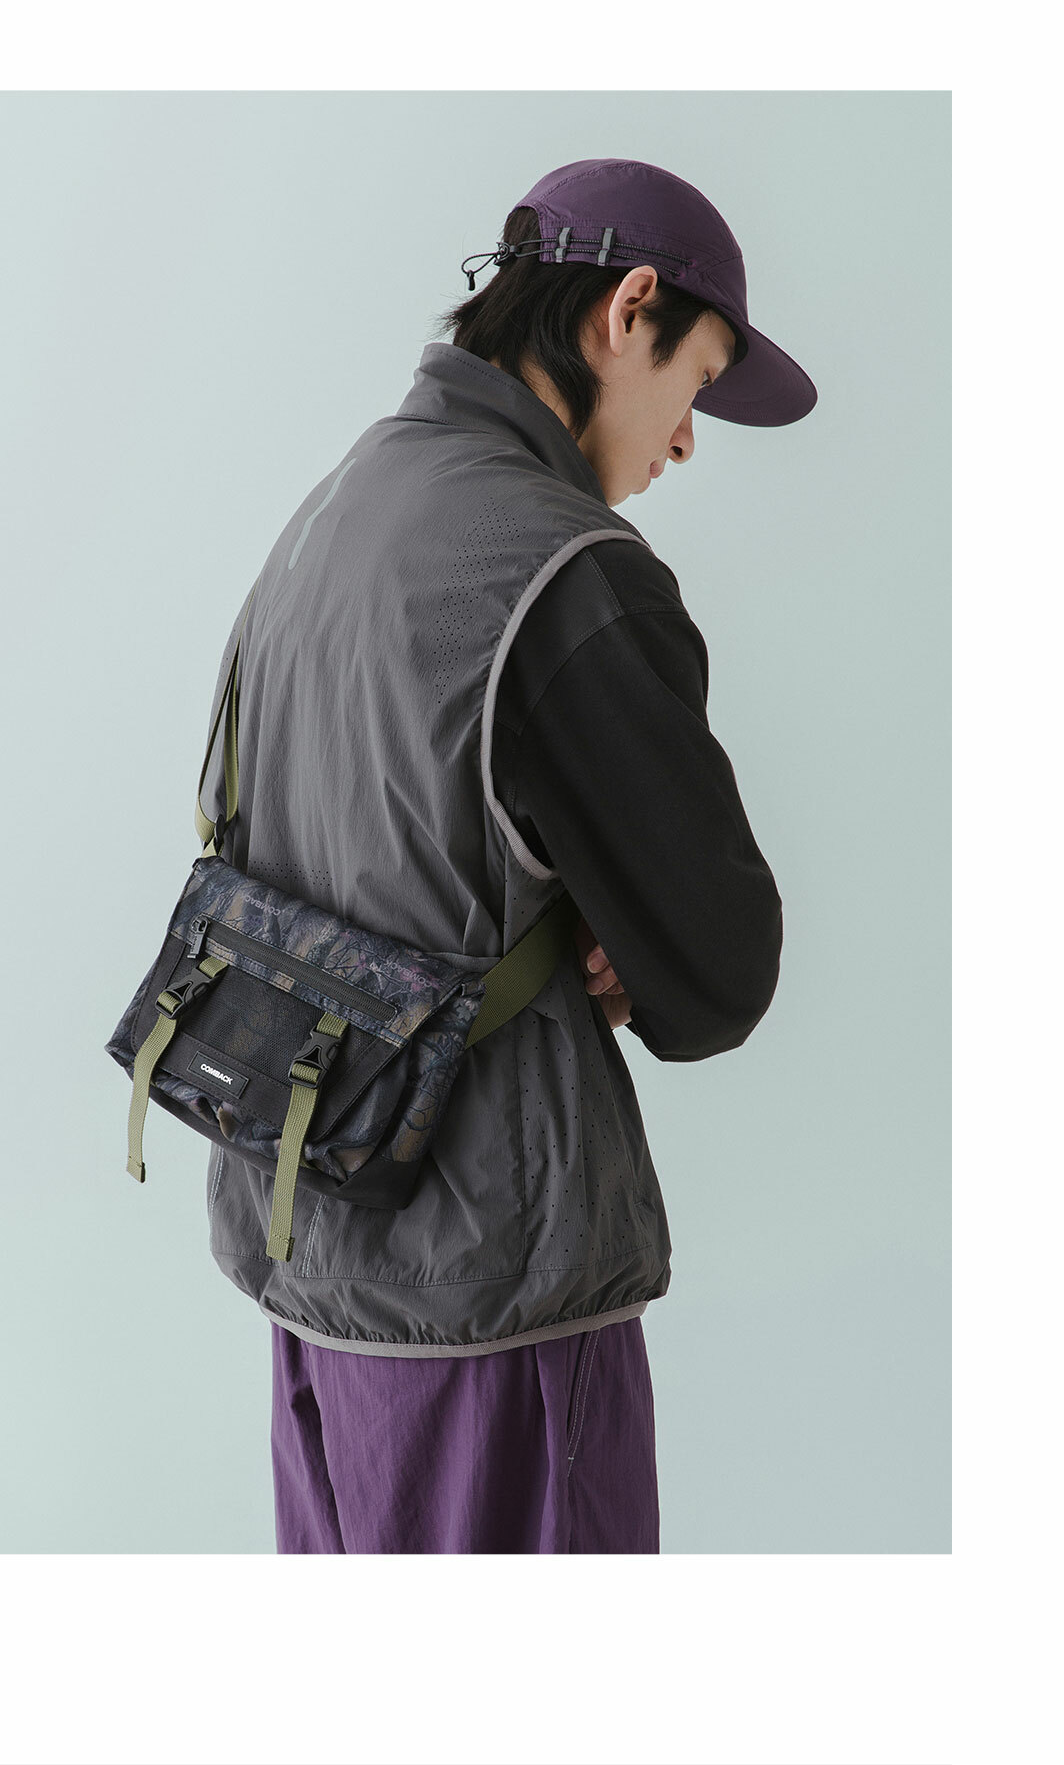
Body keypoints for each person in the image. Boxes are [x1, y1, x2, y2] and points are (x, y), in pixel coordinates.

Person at [197, 157, 818, 1554]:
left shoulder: (338, 508)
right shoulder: (563, 569)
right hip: (497, 1306)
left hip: (311, 1271)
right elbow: (720, 968)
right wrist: (624, 936)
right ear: (628, 309)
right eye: (696, 382)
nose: (685, 441)